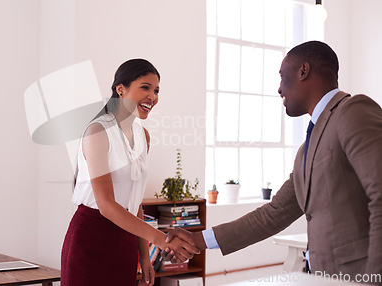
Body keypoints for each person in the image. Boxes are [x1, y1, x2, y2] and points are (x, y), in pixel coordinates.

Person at [164, 41, 382, 281]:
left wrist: (375, 275)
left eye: (282, 76)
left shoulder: (353, 110)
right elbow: (273, 214)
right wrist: (197, 240)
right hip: (323, 276)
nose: (279, 89)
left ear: (303, 71)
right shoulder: (305, 150)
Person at [61, 59, 199, 286]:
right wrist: (162, 240)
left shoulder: (143, 136)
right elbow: (106, 205)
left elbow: (134, 201)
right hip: (91, 237)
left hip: (125, 241)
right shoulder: (97, 131)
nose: (152, 97)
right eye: (145, 87)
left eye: (156, 90)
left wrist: (144, 256)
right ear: (121, 88)